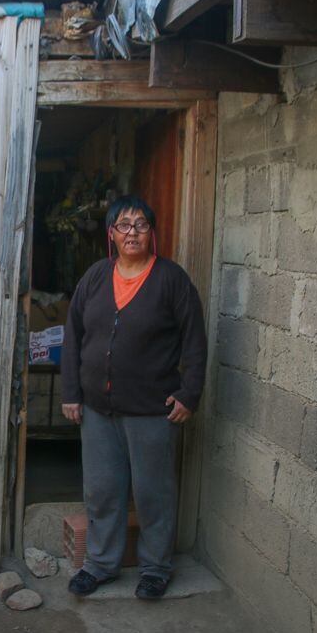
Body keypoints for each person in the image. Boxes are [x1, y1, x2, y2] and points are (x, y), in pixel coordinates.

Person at [60, 195, 207, 599]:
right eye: (124, 225)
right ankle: (100, 565)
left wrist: (188, 394)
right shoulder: (94, 278)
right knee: (102, 490)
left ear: (151, 232)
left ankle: (155, 569)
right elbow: (73, 336)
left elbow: (195, 341)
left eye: (141, 224)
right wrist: (71, 392)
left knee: (152, 492)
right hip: (97, 410)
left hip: (150, 410)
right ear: (111, 234)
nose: (133, 232)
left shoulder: (171, 280)